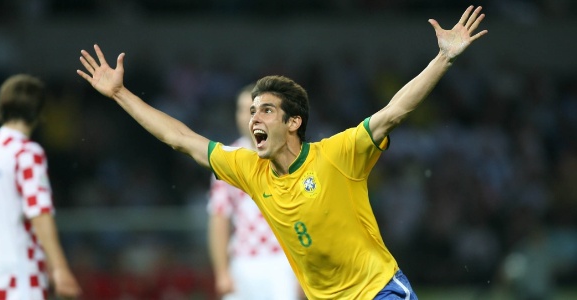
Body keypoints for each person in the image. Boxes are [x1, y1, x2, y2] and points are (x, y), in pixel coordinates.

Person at [77, 6, 487, 299]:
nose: (254, 118)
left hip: (378, 292)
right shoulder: (249, 169)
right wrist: (120, 94)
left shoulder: (338, 154)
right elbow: (180, 138)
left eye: (267, 110)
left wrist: (443, 59)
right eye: (253, 110)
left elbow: (394, 111)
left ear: (293, 123)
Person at [0, 74, 81, 299]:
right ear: (40, 111)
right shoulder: (26, 152)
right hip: (17, 278)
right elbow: (39, 211)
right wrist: (59, 267)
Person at [207, 84, 301, 300]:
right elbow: (219, 219)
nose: (250, 117)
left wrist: (304, 271)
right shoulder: (226, 159)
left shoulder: (291, 157)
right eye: (244, 110)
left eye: (258, 110)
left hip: (283, 263)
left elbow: (306, 217)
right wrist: (222, 272)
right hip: (242, 264)